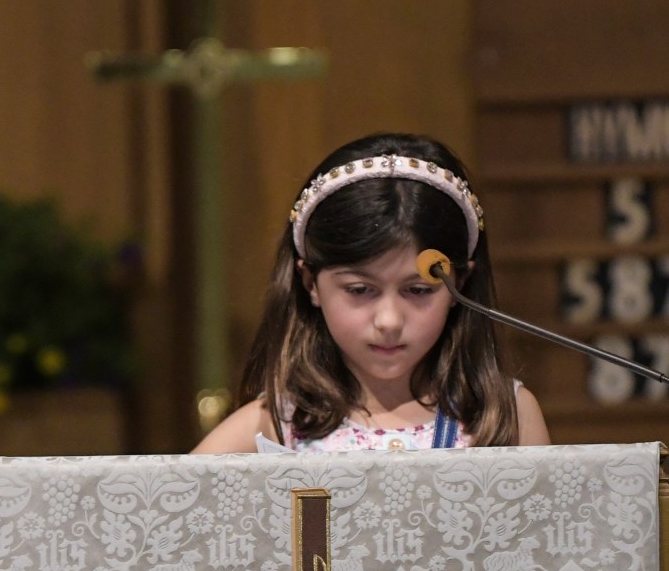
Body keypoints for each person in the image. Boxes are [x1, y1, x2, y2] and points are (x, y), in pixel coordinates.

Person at [192, 132, 550, 455]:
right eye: (360, 289)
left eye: (418, 290)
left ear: (461, 284)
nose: (389, 321)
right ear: (310, 283)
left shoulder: (506, 415)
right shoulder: (273, 422)